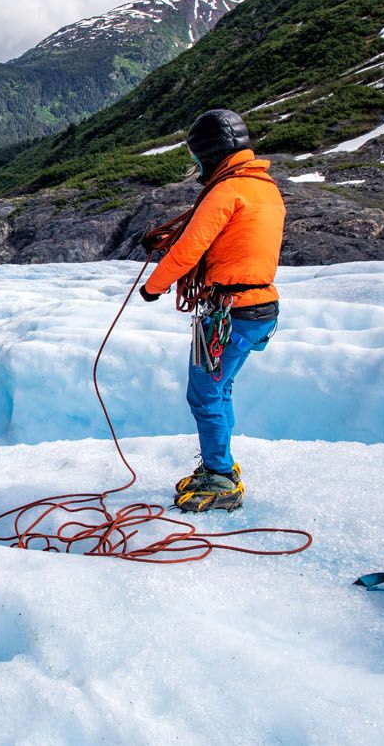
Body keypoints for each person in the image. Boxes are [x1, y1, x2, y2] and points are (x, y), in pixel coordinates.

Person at [139, 109, 285, 512]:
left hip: (231, 312)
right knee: (220, 389)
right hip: (260, 308)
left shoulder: (225, 191)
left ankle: (220, 477)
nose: (197, 165)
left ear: (209, 152)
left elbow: (188, 249)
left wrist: (153, 288)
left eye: (197, 156)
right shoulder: (264, 187)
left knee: (204, 393)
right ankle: (220, 467)